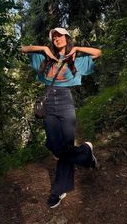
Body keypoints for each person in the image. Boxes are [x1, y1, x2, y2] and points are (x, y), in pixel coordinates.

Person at [21, 27, 101, 208]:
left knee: (65, 146)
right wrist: (43, 49)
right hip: (48, 102)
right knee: (52, 144)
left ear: (67, 37)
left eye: (60, 35)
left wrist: (77, 49)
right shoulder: (45, 59)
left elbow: (98, 52)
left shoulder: (75, 61)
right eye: (54, 37)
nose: (57, 39)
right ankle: (86, 154)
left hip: (65, 101)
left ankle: (58, 190)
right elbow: (23, 49)